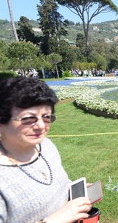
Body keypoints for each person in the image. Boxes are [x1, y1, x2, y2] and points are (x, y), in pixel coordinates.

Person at [0, 77, 92, 222]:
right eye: (29, 119)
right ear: (2, 121)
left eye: (46, 117)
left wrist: (70, 189)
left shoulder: (46, 146)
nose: (41, 126)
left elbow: (53, 182)